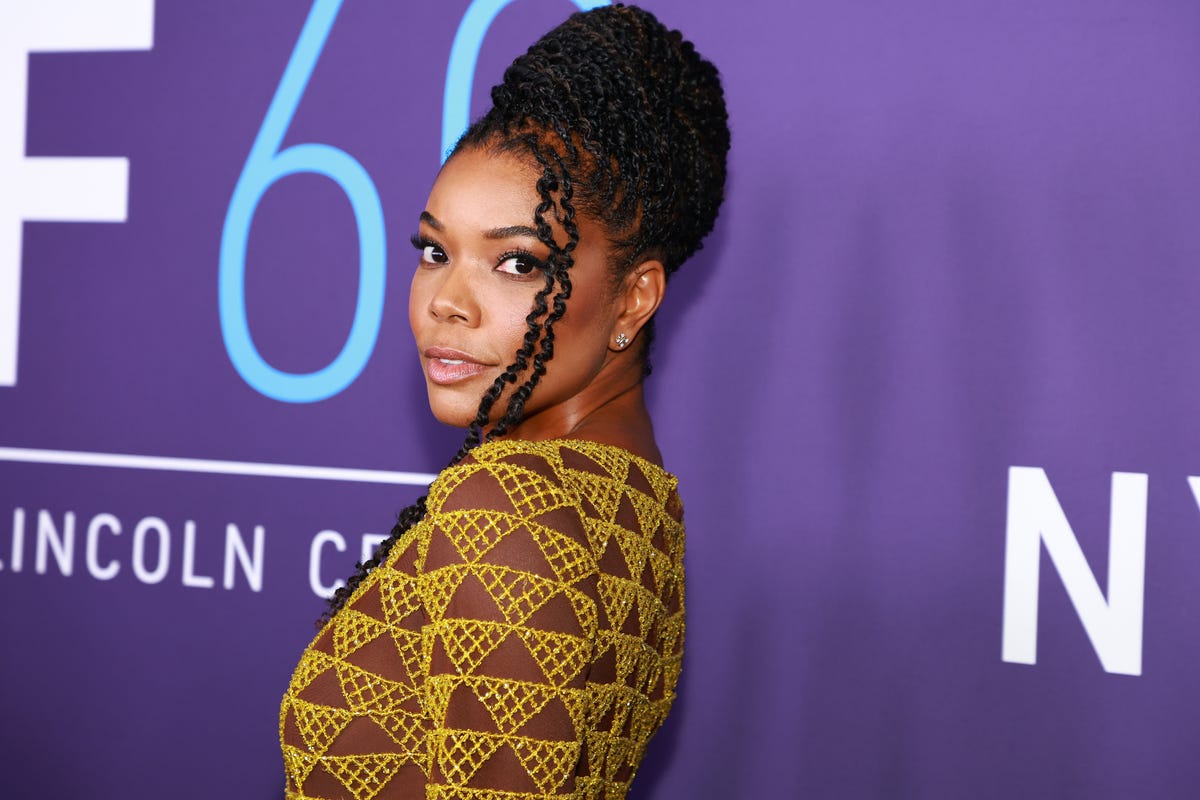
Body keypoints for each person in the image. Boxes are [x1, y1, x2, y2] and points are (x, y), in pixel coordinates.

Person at [278, 4, 729, 798]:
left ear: (633, 299)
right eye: (433, 251)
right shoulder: (633, 496)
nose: (446, 302)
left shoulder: (510, 511)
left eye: (517, 263)